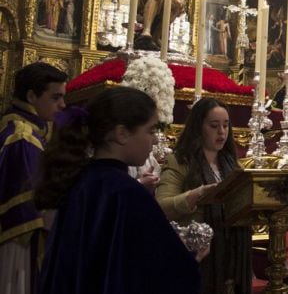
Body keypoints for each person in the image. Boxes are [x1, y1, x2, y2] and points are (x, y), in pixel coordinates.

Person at [35, 87, 202, 294]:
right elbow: (166, 273)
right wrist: (192, 254)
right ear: (121, 133)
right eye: (150, 130)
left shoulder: (79, 181)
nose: (156, 140)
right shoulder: (127, 193)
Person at [156, 98, 252, 294]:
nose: (222, 132)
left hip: (230, 256)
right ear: (198, 127)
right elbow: (161, 207)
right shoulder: (180, 161)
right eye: (214, 126)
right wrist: (195, 195)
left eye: (226, 125)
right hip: (199, 255)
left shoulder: (232, 164)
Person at [0, 62, 66, 294]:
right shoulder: (23, 137)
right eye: (55, 98)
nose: (62, 105)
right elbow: (27, 205)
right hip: (20, 242)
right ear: (31, 96)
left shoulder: (22, 127)